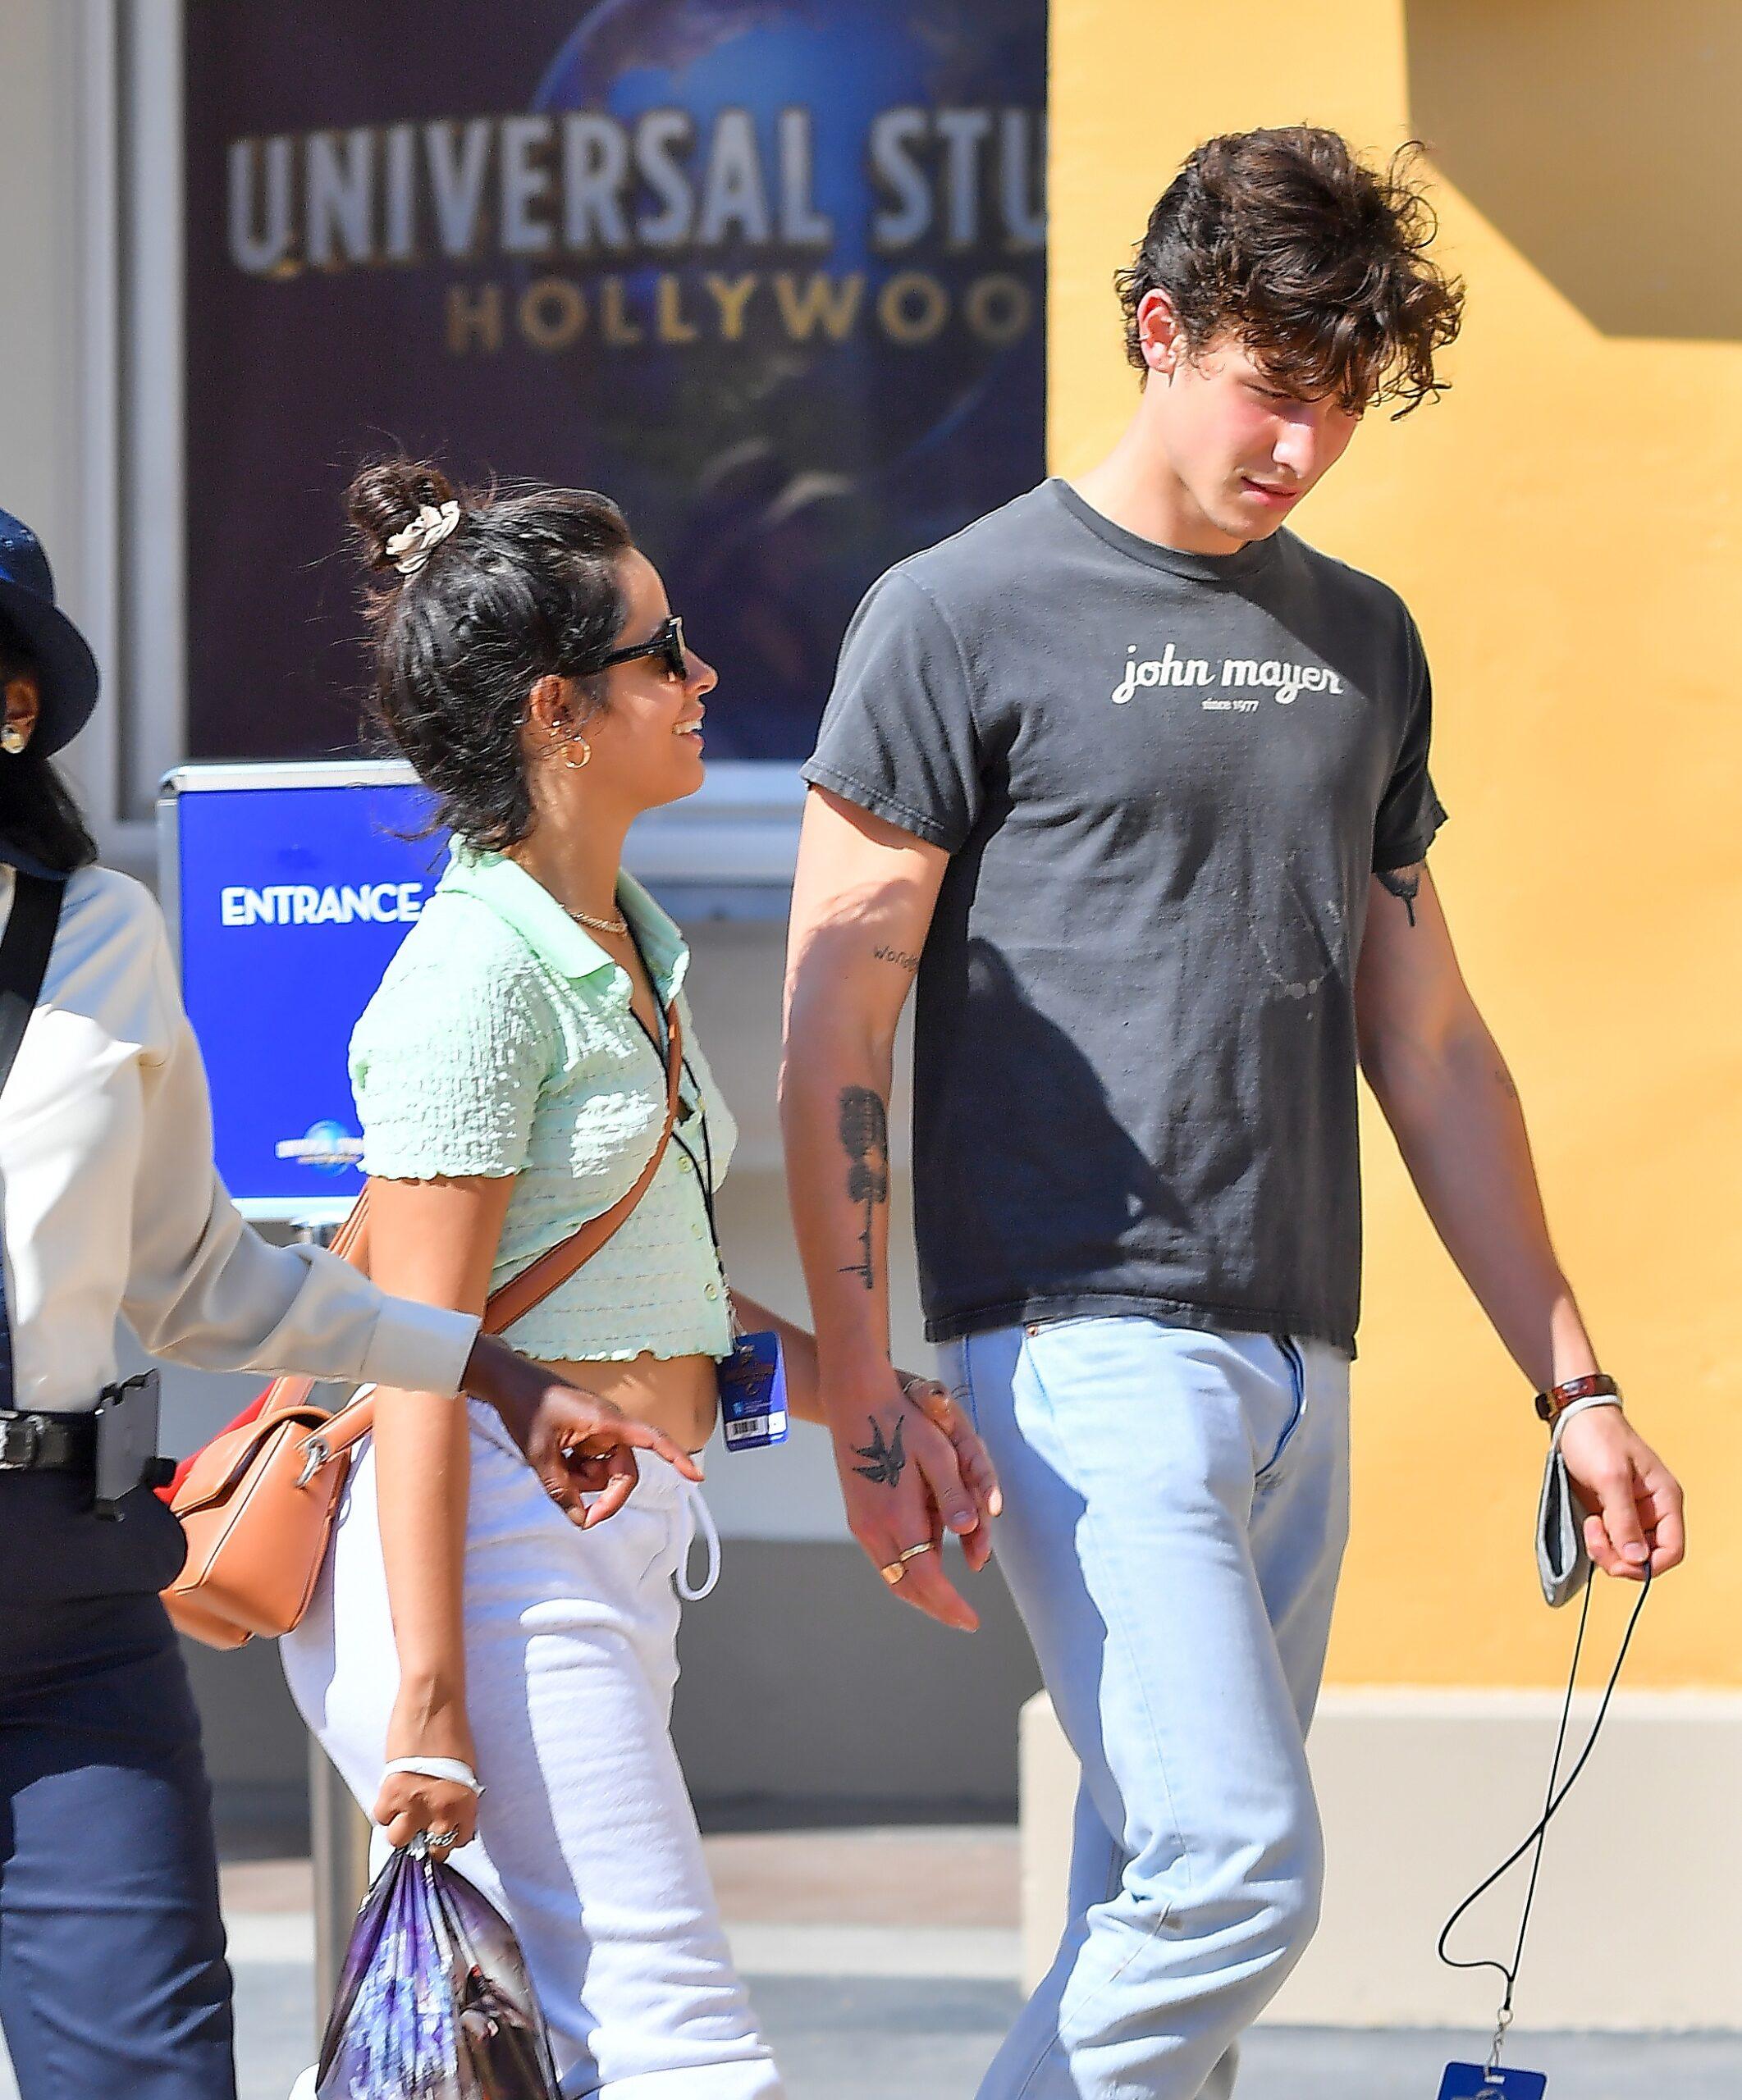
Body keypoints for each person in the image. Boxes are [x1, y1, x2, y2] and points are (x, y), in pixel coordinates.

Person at [780, 127, 1687, 2099]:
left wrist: (1577, 1385)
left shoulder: (1362, 639)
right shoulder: (954, 614)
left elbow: (1430, 1037)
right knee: (1234, 1872)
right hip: (1085, 1338)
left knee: (1160, 1909)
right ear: (1158, 327)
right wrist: (864, 1366)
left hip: (1301, 1358)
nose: (1306, 446)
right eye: (1278, 391)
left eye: (1346, 404)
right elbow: (835, 1006)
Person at [281, 461, 999, 2098]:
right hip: (485, 1551)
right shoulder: (475, 975)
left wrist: (873, 1397)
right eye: (665, 652)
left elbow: (650, 1296)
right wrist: (434, 1706)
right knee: (685, 2058)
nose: (706, 677)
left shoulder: (620, 942)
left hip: (596, 1537)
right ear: (560, 710)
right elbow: (412, 1349)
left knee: (609, 2057)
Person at [0, 504, 692, 2100]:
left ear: (15, 710)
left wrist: (490, 1374)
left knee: (152, 2074)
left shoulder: (100, 933)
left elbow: (201, 1277)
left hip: (64, 1618)